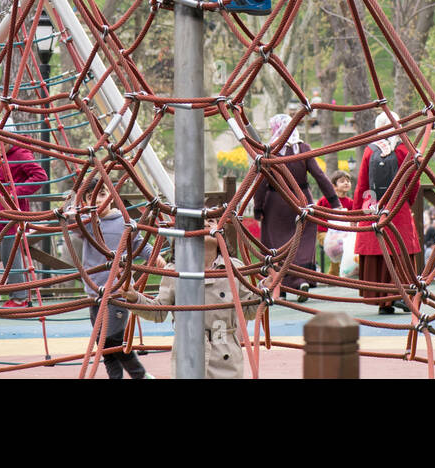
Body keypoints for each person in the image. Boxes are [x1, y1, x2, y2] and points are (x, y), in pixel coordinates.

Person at [124, 218, 259, 379]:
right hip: (189, 350)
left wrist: (266, 288)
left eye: (212, 220)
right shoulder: (175, 270)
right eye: (200, 222)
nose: (206, 224)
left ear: (221, 232)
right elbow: (158, 311)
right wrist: (134, 298)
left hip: (225, 353)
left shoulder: (233, 268)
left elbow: (249, 310)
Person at [75, 174, 156, 379]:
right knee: (103, 345)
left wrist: (155, 257)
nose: (98, 201)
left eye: (102, 194)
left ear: (112, 195)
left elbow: (139, 243)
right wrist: (72, 209)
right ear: (85, 202)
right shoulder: (87, 222)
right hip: (95, 293)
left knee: (111, 341)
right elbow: (71, 221)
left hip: (118, 293)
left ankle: (140, 375)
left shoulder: (124, 221)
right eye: (91, 198)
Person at [253, 113, 337, 300]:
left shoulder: (270, 152)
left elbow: (260, 183)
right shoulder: (303, 148)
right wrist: (334, 201)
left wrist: (258, 209)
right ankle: (301, 280)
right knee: (302, 241)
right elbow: (320, 176)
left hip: (276, 203)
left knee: (278, 246)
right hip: (301, 201)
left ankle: (281, 286)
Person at [353, 111, 420, 314]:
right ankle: (400, 293)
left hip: (375, 205)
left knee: (379, 249)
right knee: (400, 249)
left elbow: (362, 184)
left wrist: (358, 211)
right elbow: (413, 181)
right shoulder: (405, 149)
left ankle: (384, 300)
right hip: (398, 206)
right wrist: (408, 201)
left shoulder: (369, 151)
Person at [0, 123, 48, 309]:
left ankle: (21, 297)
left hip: (13, 211)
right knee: (7, 254)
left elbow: (41, 176)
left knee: (10, 253)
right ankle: (19, 293)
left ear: (8, 139)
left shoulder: (20, 153)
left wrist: (15, 192)